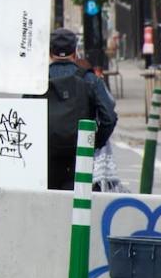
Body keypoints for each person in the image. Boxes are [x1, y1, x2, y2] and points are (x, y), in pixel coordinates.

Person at [46, 28, 118, 190]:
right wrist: (95, 141)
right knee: (80, 207)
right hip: (80, 155)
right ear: (75, 52)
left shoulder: (38, 80)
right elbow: (109, 117)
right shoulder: (89, 79)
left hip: (46, 158)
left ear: (50, 52)